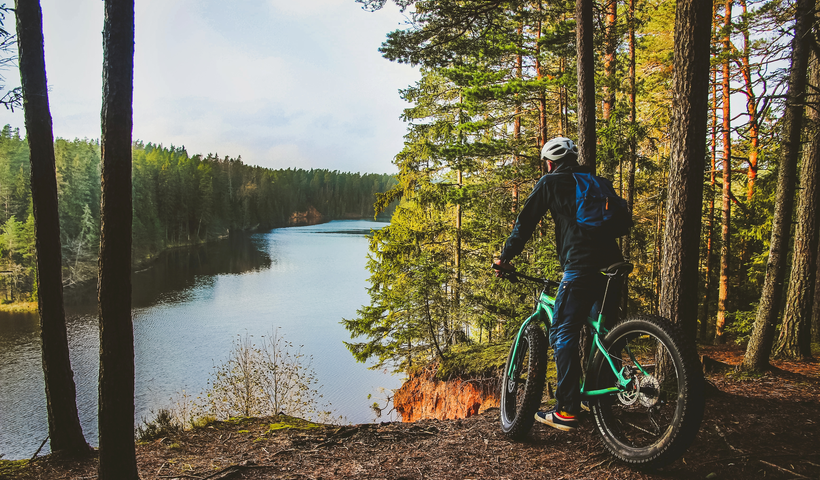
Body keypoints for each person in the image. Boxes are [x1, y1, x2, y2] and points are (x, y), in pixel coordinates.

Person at [494, 136, 624, 432]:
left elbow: (524, 223)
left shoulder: (550, 182)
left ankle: (566, 409)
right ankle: (599, 399)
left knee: (563, 330)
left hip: (580, 266)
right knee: (601, 332)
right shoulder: (595, 181)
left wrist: (505, 257)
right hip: (613, 265)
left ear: (550, 163)